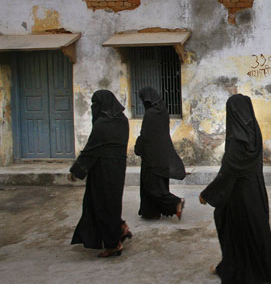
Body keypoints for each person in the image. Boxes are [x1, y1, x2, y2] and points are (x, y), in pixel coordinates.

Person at [199, 94, 271, 283]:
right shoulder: (254, 130)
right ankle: (261, 269)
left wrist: (208, 194)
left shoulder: (238, 139)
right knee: (256, 231)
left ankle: (239, 269)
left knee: (234, 229)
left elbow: (229, 171)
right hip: (255, 192)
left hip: (240, 196)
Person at [68, 90, 131, 258]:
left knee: (102, 205)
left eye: (95, 104)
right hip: (118, 169)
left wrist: (76, 170)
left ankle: (113, 245)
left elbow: (91, 150)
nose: (93, 108)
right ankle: (120, 228)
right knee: (111, 203)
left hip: (102, 172)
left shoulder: (102, 124)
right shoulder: (122, 120)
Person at [135, 86, 186, 220]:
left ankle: (176, 203)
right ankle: (151, 212)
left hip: (151, 157)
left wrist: (138, 148)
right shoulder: (162, 112)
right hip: (162, 154)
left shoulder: (150, 114)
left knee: (151, 186)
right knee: (159, 183)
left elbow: (145, 136)